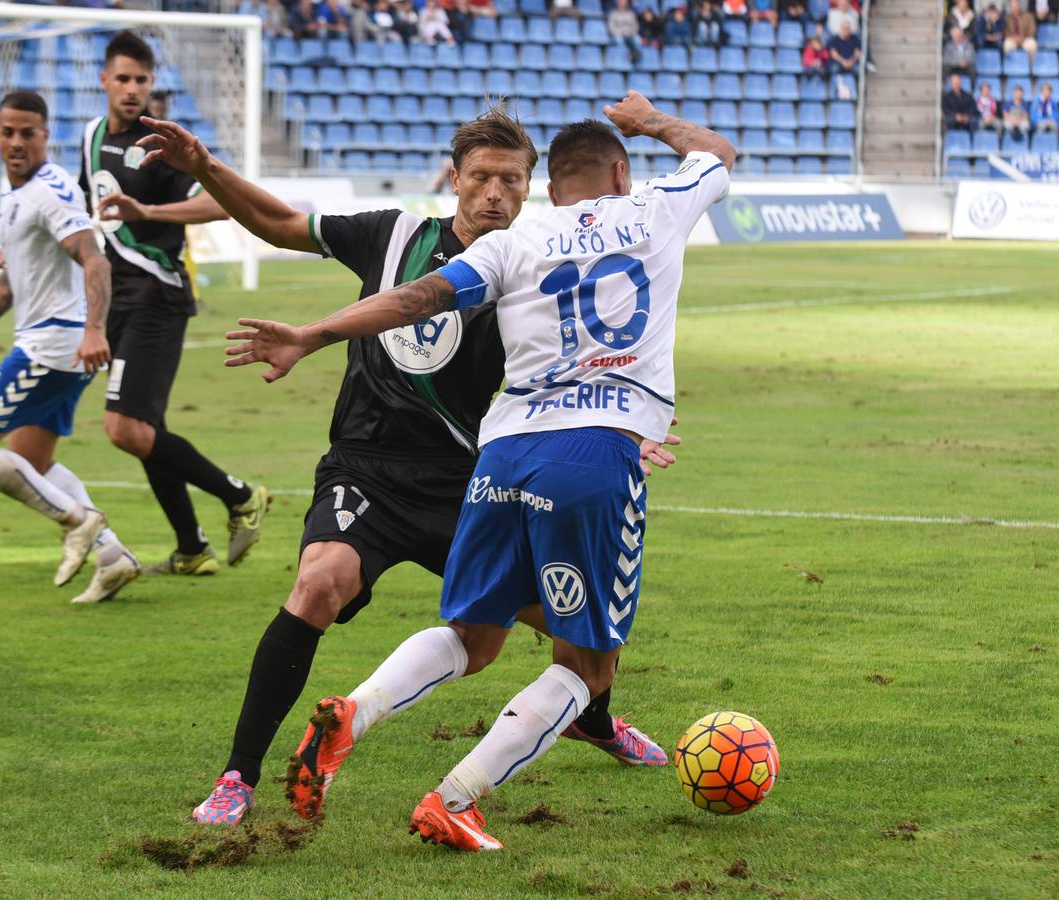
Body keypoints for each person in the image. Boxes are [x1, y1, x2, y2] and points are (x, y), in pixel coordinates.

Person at [133, 108, 673, 827]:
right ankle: (239, 775)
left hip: (473, 483)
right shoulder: (392, 236)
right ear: (454, 179)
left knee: (581, 626)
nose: (494, 195)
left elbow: (593, 367)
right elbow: (278, 223)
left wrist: (624, 431)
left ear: (530, 188)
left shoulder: (538, 266)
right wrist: (205, 167)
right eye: (481, 177)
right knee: (319, 582)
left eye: (511, 181)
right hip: (370, 468)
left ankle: (591, 719)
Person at [234, 92, 735, 851]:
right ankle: (456, 796)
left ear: (548, 185)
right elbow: (719, 154)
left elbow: (416, 297)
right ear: (622, 171)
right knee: (591, 665)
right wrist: (653, 121)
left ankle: (355, 713)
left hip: (500, 458)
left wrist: (312, 333)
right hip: (592, 455)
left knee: (475, 634)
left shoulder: (513, 242)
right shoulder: (660, 206)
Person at [82, 31, 270, 576]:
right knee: (146, 429)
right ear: (105, 81)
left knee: (124, 429)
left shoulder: (158, 146)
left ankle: (239, 496)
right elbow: (85, 208)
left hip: (156, 298)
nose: (133, 88)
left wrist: (148, 212)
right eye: (123, 78)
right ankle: (191, 549)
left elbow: (219, 204)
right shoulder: (92, 134)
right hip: (119, 299)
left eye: (142, 79)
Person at [0, 90, 139, 606]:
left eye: (27, 133)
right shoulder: (16, 197)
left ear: (45, 136)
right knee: (32, 458)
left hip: (54, 345)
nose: (16, 142)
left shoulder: (49, 194)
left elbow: (95, 261)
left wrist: (96, 329)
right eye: (8, 132)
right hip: (63, 346)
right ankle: (112, 556)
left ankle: (78, 521)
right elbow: (12, 285)